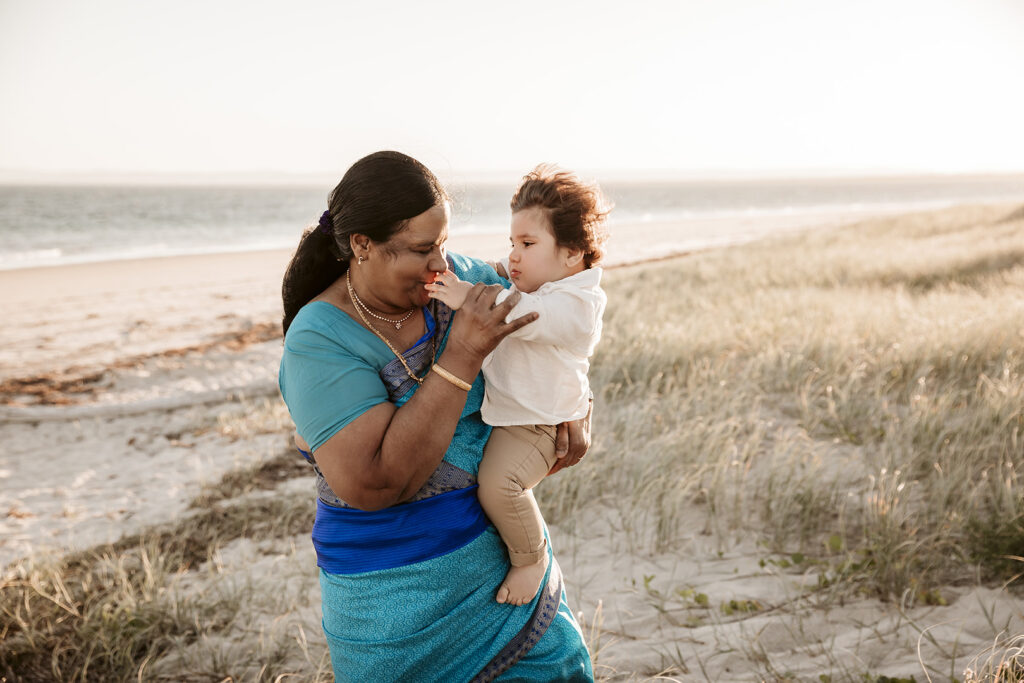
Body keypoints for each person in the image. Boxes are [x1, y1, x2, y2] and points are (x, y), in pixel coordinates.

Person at [278, 151, 594, 681]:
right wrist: (462, 356)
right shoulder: (319, 337)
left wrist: (578, 403)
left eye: (443, 243)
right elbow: (374, 484)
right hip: (391, 612)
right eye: (423, 249)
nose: (441, 265)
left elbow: (559, 321)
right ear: (362, 245)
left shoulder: (461, 284)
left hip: (503, 587)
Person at [426, 165, 609, 607]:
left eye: (528, 244)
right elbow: (509, 289)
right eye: (512, 243)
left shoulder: (578, 304)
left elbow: (518, 316)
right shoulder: (542, 286)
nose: (514, 256)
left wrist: (464, 298)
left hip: (540, 427)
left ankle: (532, 559)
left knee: (500, 485)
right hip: (517, 418)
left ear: (572, 254)